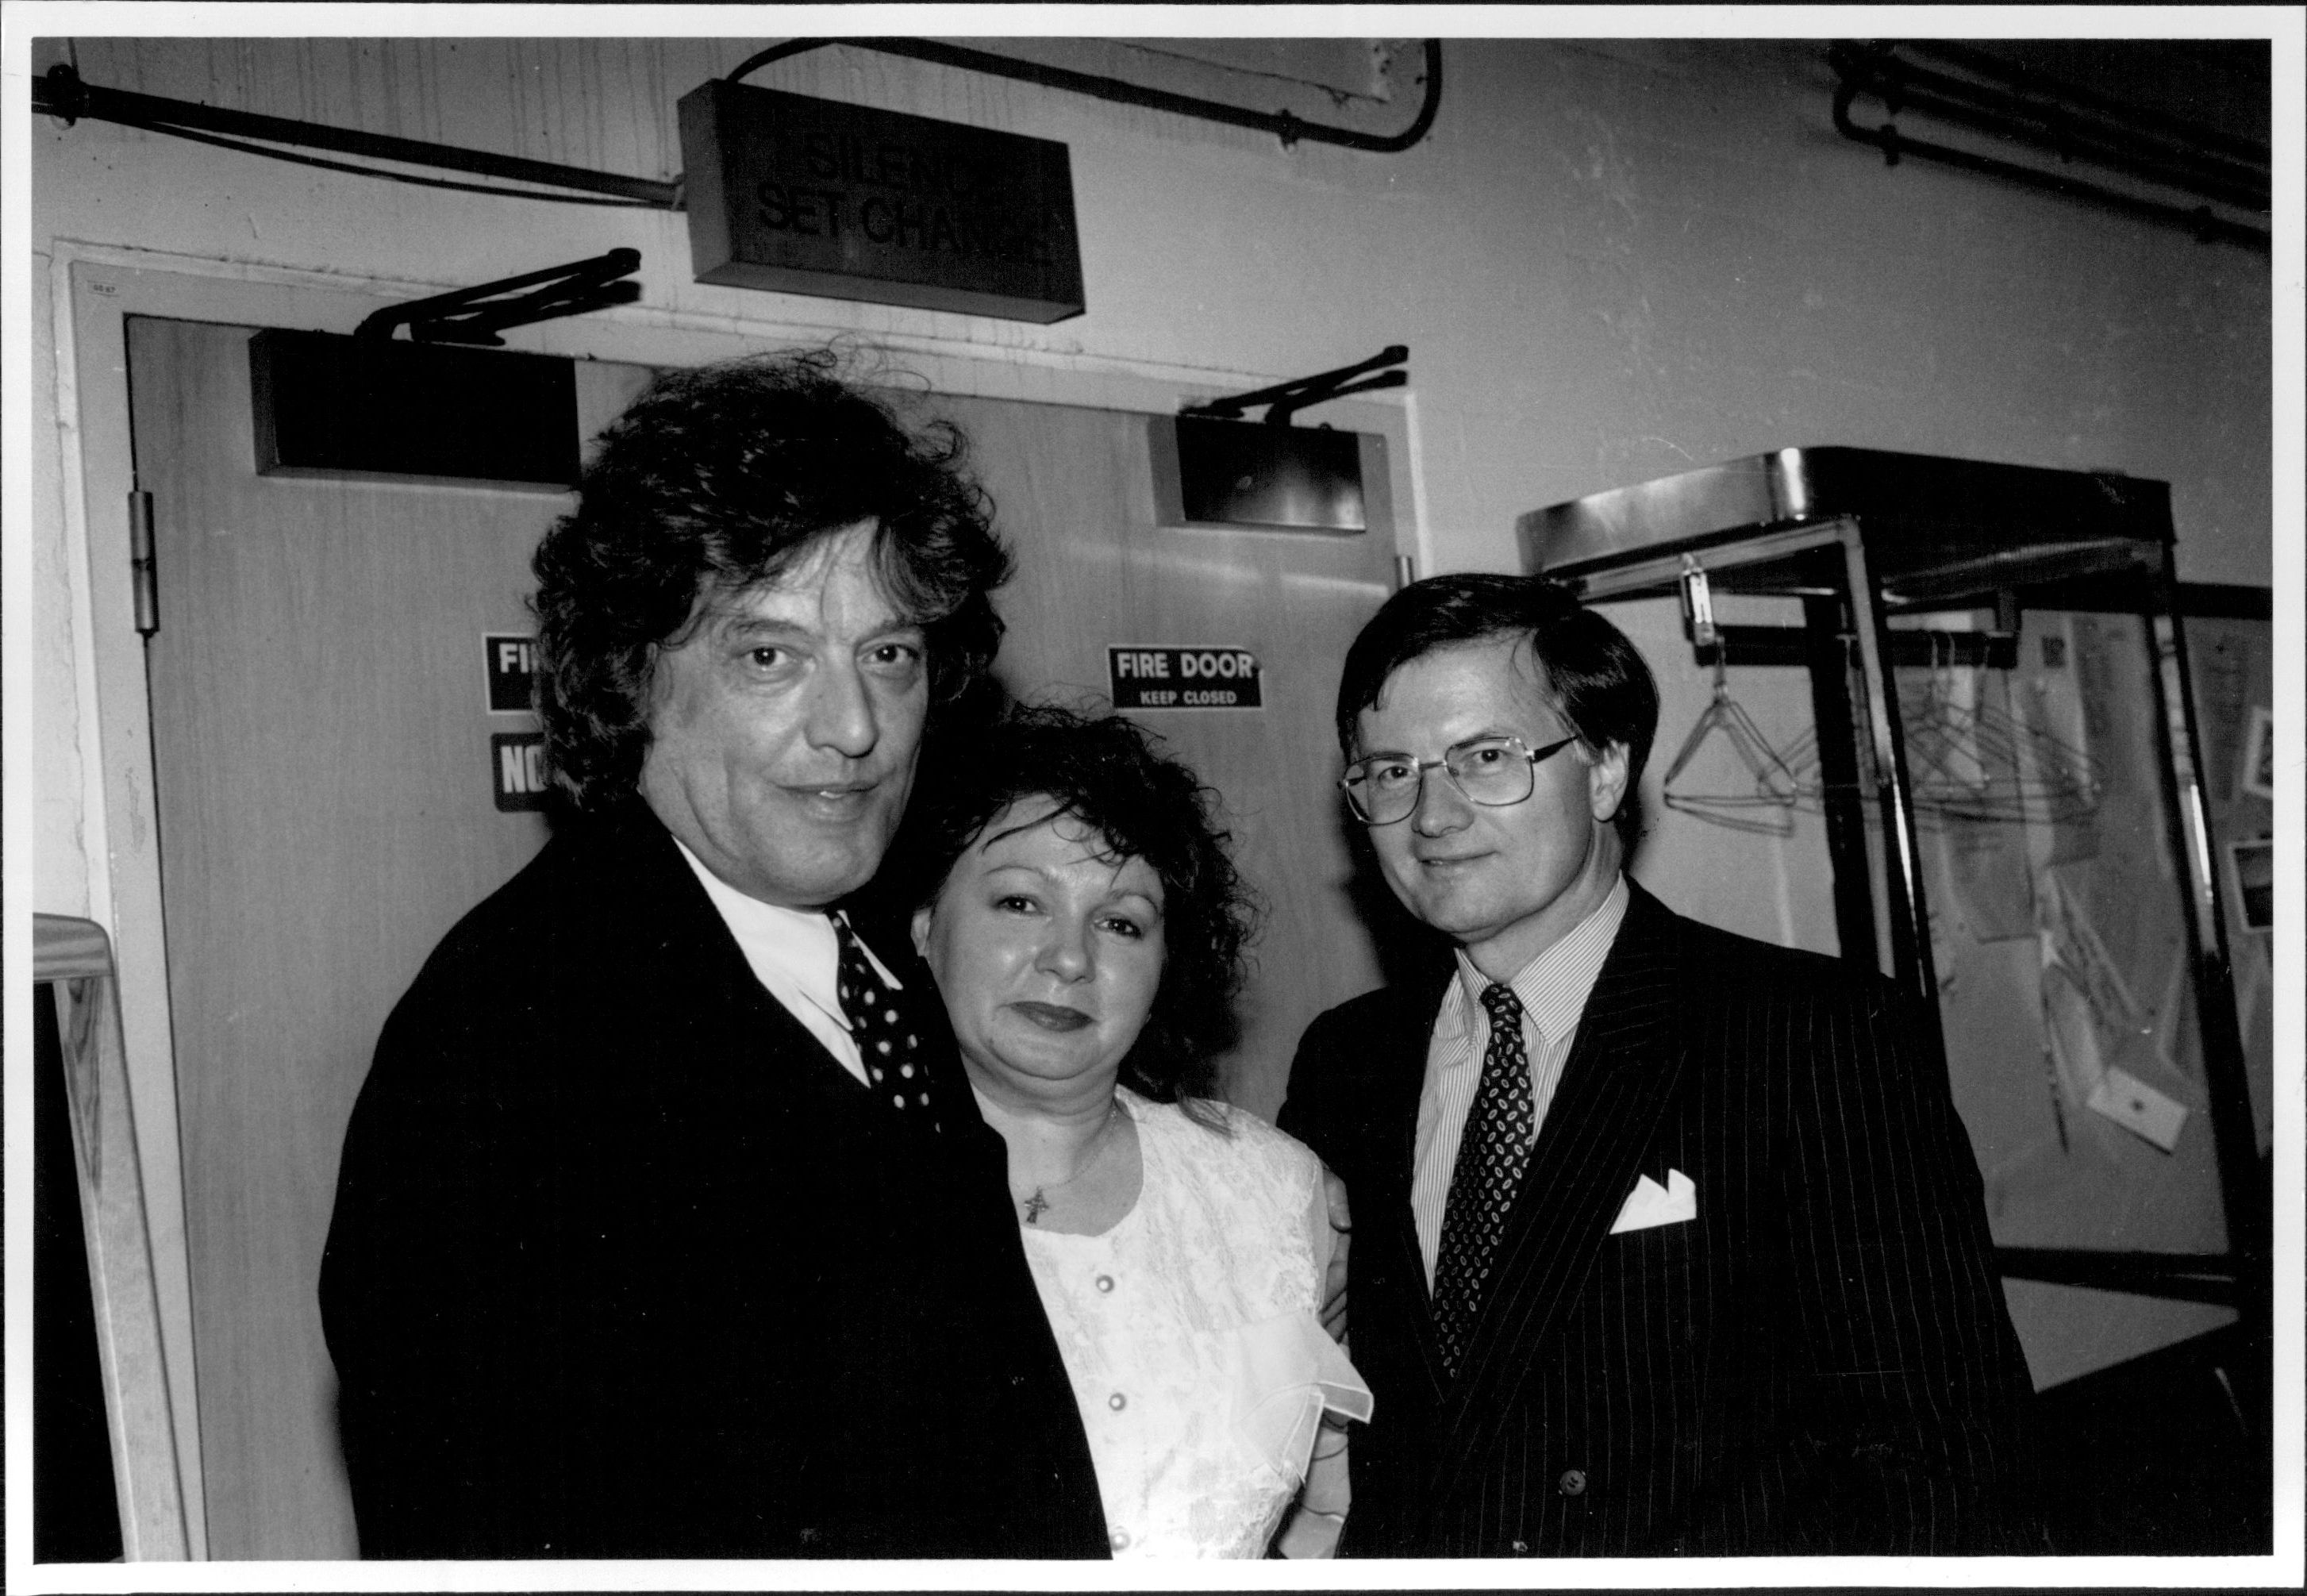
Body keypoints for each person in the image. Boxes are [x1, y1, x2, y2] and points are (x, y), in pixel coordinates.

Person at [317, 352, 1109, 1559]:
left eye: (887, 654)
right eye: (768, 655)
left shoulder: (868, 961)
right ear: (631, 673)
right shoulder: (511, 1039)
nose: (853, 727)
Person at [1278, 573, 2036, 1556]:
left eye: (1487, 758)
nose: (1432, 814)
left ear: (1603, 770)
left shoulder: (1808, 1036)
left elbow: (1944, 1455)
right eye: (1389, 771)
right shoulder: (1350, 1060)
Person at [897, 705, 1373, 1559]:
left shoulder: (1272, 1191)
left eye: (1120, 922)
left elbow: (1328, 1512)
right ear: (926, 922)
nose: (1070, 957)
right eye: (1019, 902)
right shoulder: (828, 1183)